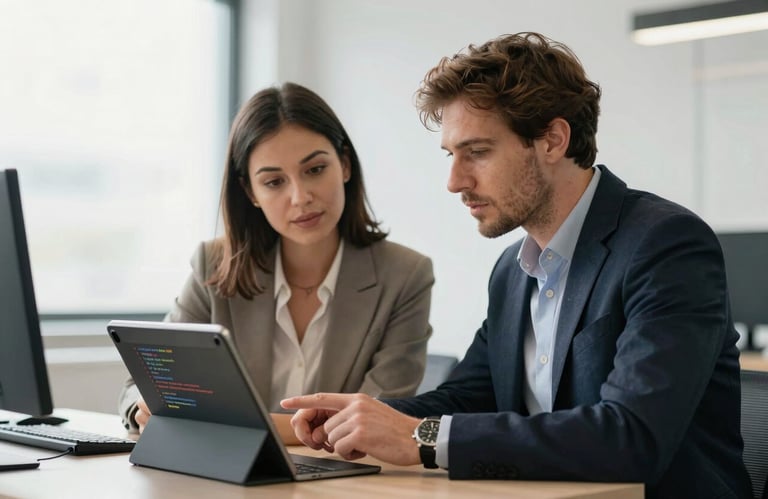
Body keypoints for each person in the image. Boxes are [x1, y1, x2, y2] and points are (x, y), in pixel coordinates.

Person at [281, 33, 752, 498]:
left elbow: (631, 436)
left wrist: (417, 438)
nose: (453, 181)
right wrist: (364, 417)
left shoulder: (665, 245)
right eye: (451, 155)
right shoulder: (513, 269)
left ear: (552, 140)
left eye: (478, 152)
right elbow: (469, 396)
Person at [119, 82, 434, 444]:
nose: (300, 198)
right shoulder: (214, 265)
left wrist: (208, 420)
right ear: (251, 192)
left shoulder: (405, 275)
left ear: (344, 165)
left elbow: (379, 419)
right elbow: (140, 384)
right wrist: (142, 405)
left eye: (315, 170)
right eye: (274, 181)